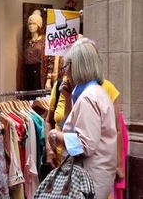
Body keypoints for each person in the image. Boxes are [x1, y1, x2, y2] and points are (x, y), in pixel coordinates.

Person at [47, 38, 117, 199]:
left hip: (88, 182)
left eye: (66, 66)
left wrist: (55, 136)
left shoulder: (88, 97)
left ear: (76, 66)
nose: (64, 72)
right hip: (94, 179)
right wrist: (68, 96)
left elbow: (84, 145)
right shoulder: (94, 93)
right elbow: (76, 128)